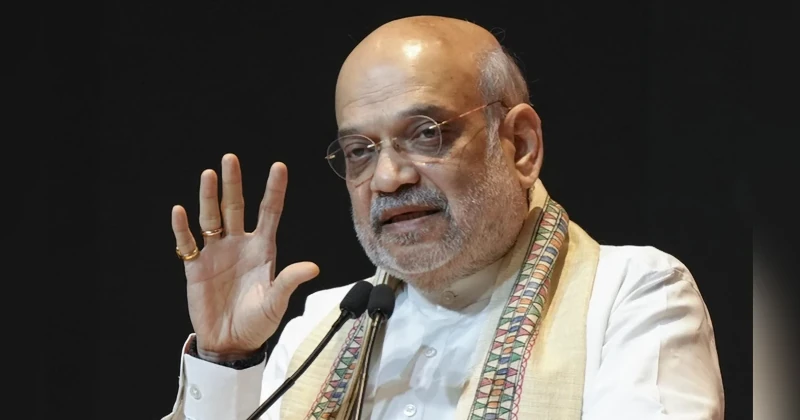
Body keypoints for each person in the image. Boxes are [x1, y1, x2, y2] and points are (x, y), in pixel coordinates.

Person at [163, 15, 724, 420]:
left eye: (426, 134)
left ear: (521, 145)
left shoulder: (634, 296)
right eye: (359, 150)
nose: (388, 177)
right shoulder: (319, 328)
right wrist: (227, 360)